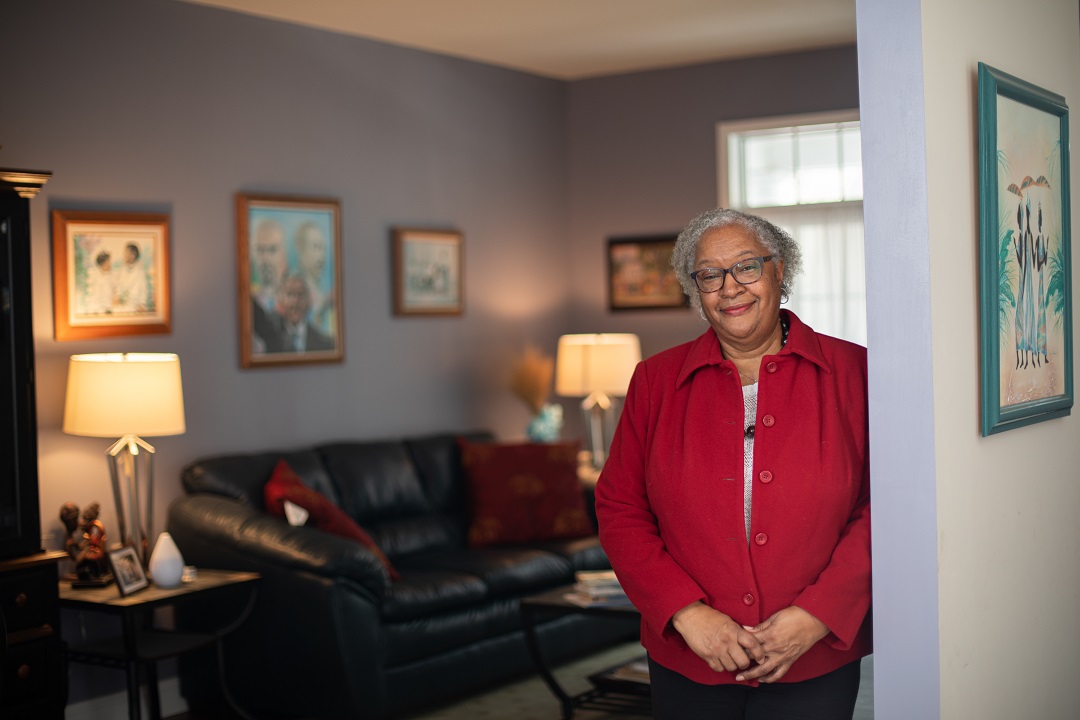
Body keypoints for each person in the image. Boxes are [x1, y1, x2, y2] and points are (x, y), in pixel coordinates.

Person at [595, 208, 871, 720]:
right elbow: (619, 506)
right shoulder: (655, 380)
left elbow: (884, 506)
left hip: (813, 652)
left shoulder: (856, 372)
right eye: (709, 275)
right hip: (690, 656)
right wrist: (685, 612)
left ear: (780, 269)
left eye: (747, 266)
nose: (730, 287)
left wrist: (817, 614)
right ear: (695, 288)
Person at [263, 272, 334, 353]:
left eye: (300, 294)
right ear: (281, 300)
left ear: (308, 300)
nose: (295, 301)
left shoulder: (325, 343)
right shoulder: (271, 340)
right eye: (290, 294)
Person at [250, 219, 287, 353]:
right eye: (260, 250)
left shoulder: (297, 301)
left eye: (272, 250)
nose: (265, 258)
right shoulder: (249, 303)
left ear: (283, 255)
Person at [294, 221, 335, 336]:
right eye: (316, 247)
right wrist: (324, 305)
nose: (321, 256)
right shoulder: (294, 286)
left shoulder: (320, 286)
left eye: (323, 249)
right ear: (301, 250)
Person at [115, 242, 150, 312]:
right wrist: (117, 298)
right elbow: (118, 287)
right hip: (123, 305)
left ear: (133, 255)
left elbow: (144, 290)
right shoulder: (121, 270)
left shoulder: (140, 272)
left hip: (136, 306)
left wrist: (142, 304)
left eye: (126, 253)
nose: (124, 255)